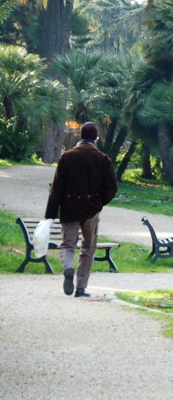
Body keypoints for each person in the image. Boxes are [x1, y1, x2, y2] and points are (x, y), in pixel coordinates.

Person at [44, 122, 118, 297]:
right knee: (88, 248)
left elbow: (57, 187)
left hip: (69, 208)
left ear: (80, 136)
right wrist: (98, 202)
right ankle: (81, 288)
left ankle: (68, 268)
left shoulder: (66, 157)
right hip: (91, 210)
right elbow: (112, 187)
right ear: (95, 138)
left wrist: (51, 213)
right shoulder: (102, 158)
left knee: (68, 244)